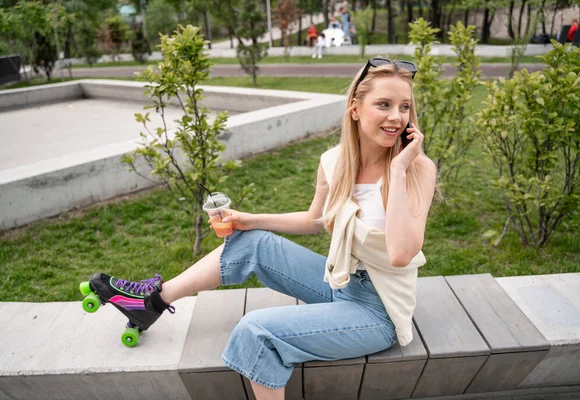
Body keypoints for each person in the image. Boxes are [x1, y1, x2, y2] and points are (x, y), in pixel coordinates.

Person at [83, 57, 437, 400]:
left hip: (377, 311)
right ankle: (150, 302)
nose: (396, 117)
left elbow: (401, 253)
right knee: (251, 242)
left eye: (404, 107)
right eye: (384, 104)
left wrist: (398, 170)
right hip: (339, 280)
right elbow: (316, 220)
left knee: (256, 331)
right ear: (355, 109)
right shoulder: (334, 162)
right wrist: (246, 219)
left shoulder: (416, 169)